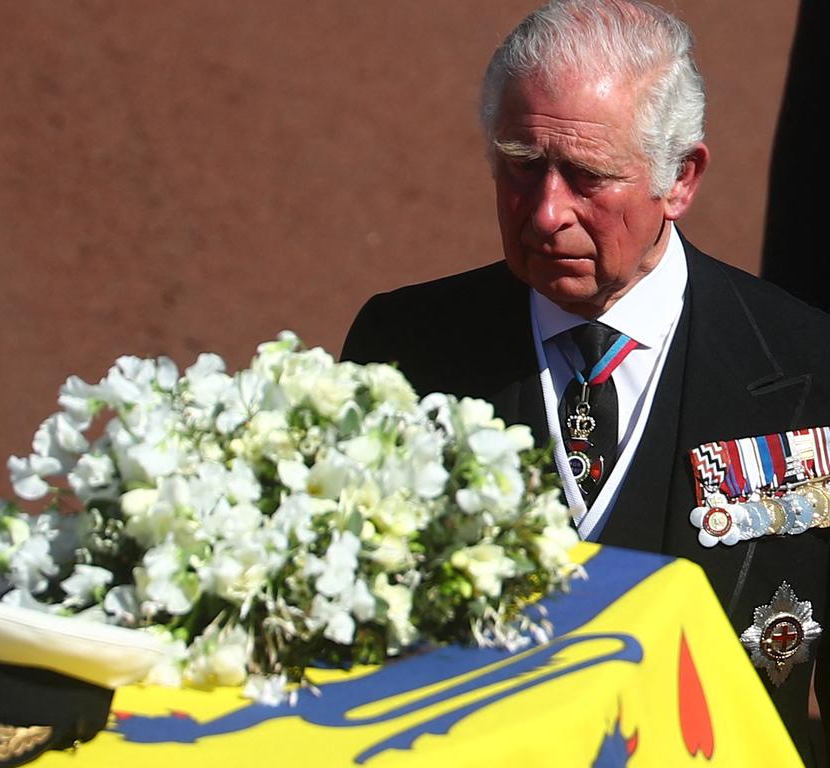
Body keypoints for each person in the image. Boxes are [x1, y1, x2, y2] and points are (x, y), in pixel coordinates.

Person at [341, 0, 830, 763]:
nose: (545, 213)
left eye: (588, 176)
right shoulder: (404, 350)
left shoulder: (808, 363)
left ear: (681, 180)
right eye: (521, 164)